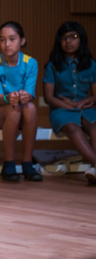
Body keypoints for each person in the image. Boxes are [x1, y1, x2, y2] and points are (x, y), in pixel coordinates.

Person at [0, 21, 43, 182]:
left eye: (12, 39)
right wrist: (8, 98)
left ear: (22, 41)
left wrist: (25, 96)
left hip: (23, 110)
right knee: (14, 109)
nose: (7, 44)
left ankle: (27, 163)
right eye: (2, 40)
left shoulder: (30, 63)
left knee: (30, 107)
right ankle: (9, 162)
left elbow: (30, 94)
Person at [43, 22, 96, 184]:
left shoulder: (91, 64)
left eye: (73, 37)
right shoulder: (53, 66)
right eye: (64, 38)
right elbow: (48, 98)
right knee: (73, 128)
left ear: (81, 39)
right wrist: (72, 106)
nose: (68, 41)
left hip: (86, 108)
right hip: (61, 110)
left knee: (94, 126)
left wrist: (84, 102)